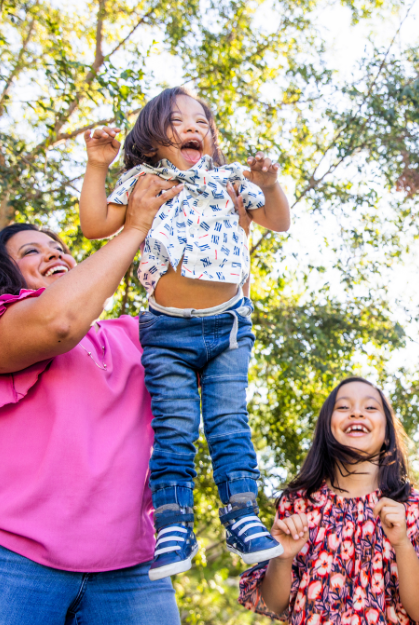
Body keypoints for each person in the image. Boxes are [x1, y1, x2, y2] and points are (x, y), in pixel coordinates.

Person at [79, 86, 291, 580]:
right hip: (166, 331)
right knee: (173, 432)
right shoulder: (142, 181)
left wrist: (270, 183)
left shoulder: (230, 179)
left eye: (202, 121)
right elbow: (93, 225)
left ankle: (242, 514)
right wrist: (96, 166)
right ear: (153, 137)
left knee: (228, 423)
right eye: (178, 120)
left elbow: (277, 223)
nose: (194, 127)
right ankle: (173, 524)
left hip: (229, 325)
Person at [0, 171, 186, 624]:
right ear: (4, 274)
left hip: (131, 571)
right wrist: (135, 228)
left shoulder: (132, 334)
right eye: (32, 251)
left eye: (59, 248)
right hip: (3, 557)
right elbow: (59, 322)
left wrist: (230, 222)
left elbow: (211, 324)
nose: (53, 253)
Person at [239, 377, 419, 624]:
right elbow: (275, 604)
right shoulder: (297, 503)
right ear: (326, 428)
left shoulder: (413, 506)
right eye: (343, 407)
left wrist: (402, 544)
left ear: (387, 433)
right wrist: (282, 558)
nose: (356, 412)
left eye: (370, 407)